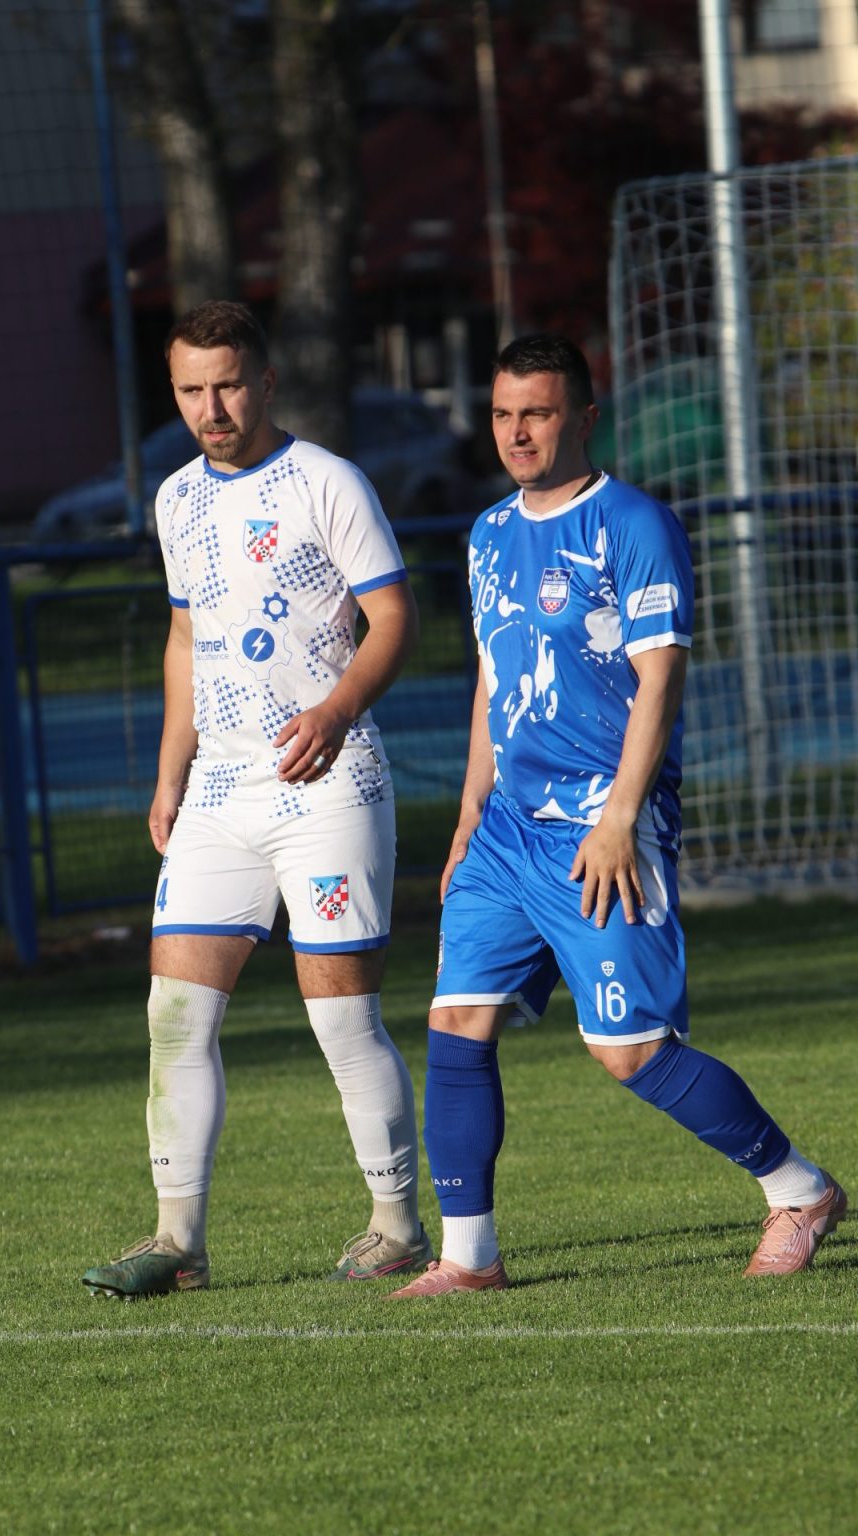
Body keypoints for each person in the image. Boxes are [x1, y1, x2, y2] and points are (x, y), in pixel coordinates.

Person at [389, 333, 847, 1298]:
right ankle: (469, 1255)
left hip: (602, 823)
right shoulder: (487, 533)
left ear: (585, 419)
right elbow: (495, 676)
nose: (517, 431)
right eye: (503, 413)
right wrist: (470, 810)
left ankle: (798, 1190)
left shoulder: (633, 522)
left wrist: (619, 820)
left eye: (538, 412)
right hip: (506, 829)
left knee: (629, 1051)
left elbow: (660, 677)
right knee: (457, 1021)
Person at [81, 301, 431, 1299]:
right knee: (174, 1016)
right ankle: (177, 1244)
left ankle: (398, 1227)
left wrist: (336, 711)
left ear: (265, 382)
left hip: (327, 783)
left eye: (228, 385)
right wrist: (170, 773)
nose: (211, 408)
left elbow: (394, 617)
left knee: (342, 1021)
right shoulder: (175, 498)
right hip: (220, 793)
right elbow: (186, 638)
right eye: (191, 390)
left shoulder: (326, 482)